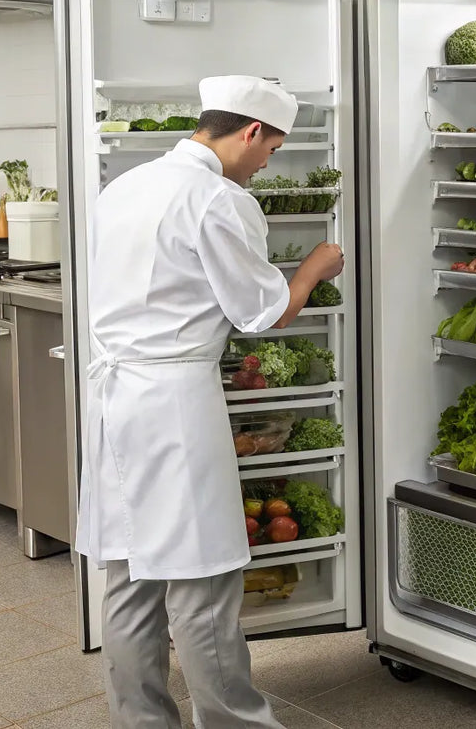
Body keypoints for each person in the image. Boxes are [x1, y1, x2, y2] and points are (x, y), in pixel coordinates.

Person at [77, 75, 344, 727]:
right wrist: (314, 267)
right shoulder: (218, 200)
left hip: (116, 400)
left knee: (129, 577)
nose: (266, 164)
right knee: (203, 582)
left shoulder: (125, 186)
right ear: (251, 132)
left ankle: (141, 722)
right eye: (272, 151)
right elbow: (263, 312)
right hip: (172, 403)